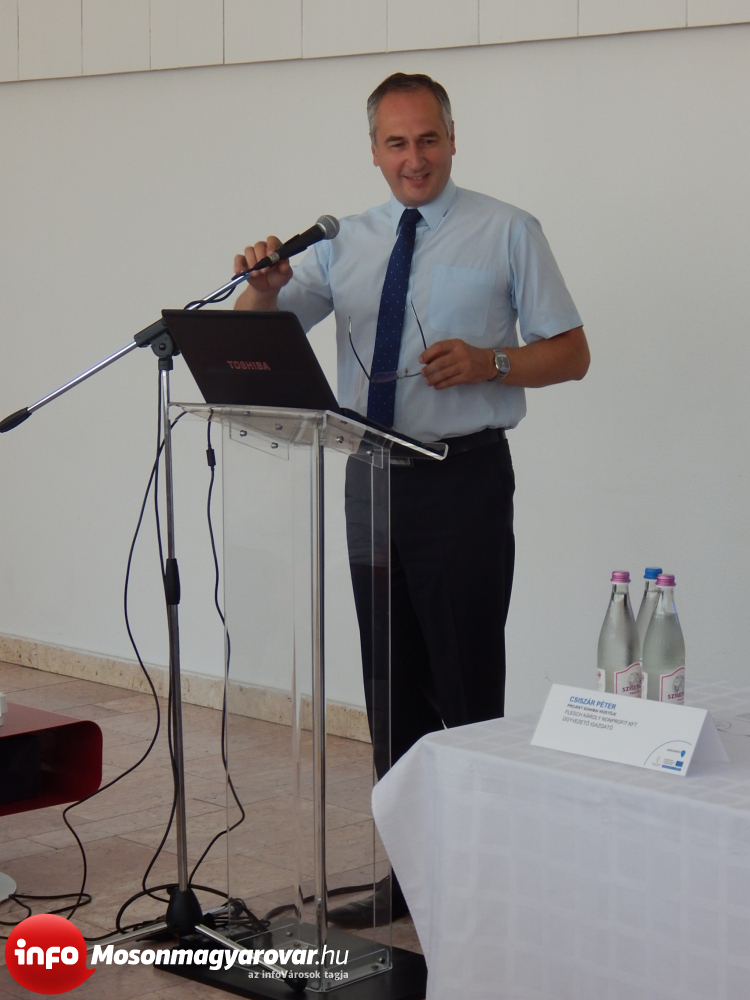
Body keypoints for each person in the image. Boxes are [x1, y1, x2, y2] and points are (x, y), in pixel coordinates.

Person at [233, 72, 590, 925]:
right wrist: (266, 287)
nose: (414, 158)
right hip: (369, 476)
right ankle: (408, 879)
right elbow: (259, 332)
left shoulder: (508, 230)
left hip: (462, 477)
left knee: (464, 686)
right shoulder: (343, 242)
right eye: (396, 143)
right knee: (390, 687)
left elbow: (572, 352)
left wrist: (492, 362)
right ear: (374, 151)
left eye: (428, 139)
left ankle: (480, 887)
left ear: (453, 138)